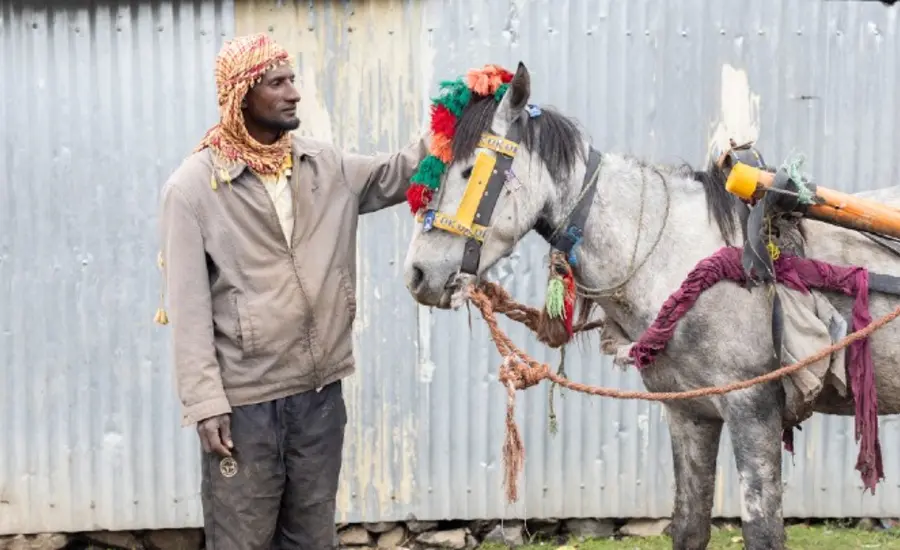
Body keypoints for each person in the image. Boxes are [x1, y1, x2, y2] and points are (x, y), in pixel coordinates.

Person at [154, 33, 427, 549]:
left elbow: (400, 172)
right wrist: (205, 403)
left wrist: (456, 122)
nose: (294, 92)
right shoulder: (192, 190)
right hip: (245, 407)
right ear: (242, 96)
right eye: (277, 83)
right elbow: (186, 311)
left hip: (319, 396)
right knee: (242, 540)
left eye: (292, 79)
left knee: (311, 539)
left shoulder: (324, 166)